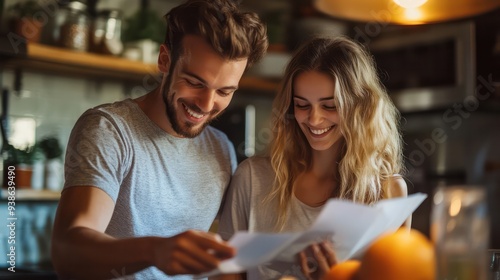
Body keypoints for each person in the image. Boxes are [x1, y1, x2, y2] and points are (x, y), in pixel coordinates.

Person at [50, 0, 268, 279]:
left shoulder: (221, 149)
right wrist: (154, 251)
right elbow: (68, 251)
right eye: (195, 82)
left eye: (224, 91)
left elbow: (229, 255)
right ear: (165, 60)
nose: (206, 103)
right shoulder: (110, 130)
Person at [217, 36, 408, 280]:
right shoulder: (252, 178)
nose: (314, 120)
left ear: (360, 107)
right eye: (302, 105)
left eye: (330, 106)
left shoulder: (388, 193)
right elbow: (225, 274)